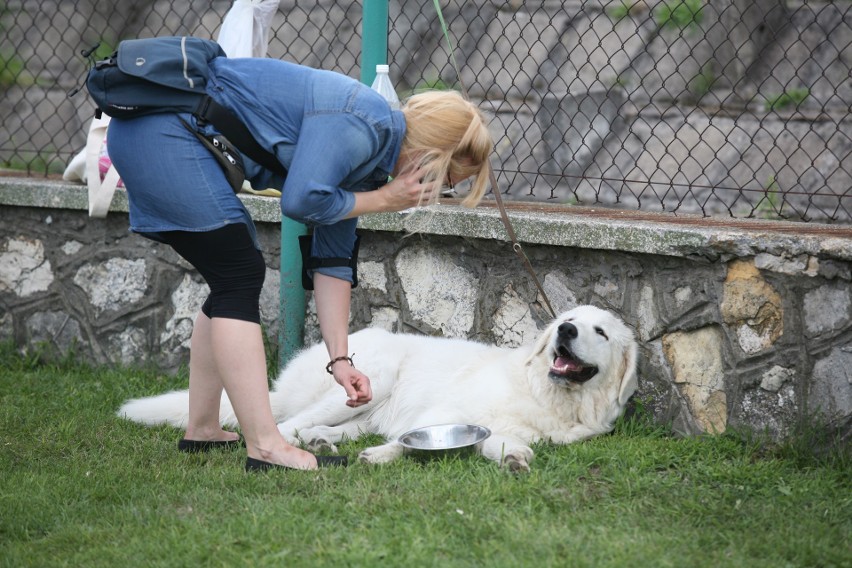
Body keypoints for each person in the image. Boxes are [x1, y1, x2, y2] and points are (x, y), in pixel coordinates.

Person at [107, 55, 494, 471]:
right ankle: (268, 448)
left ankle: (203, 429)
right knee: (240, 272)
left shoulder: (371, 160)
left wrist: (342, 362)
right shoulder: (365, 123)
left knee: (230, 276)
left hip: (161, 132)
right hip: (163, 131)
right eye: (450, 181)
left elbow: (332, 261)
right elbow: (302, 200)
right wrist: (385, 201)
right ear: (431, 156)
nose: (439, 193)